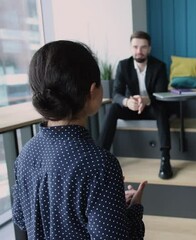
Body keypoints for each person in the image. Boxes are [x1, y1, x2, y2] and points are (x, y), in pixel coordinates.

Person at [12, 40, 147, 239]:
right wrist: (132, 211)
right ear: (93, 92)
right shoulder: (100, 165)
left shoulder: (26, 153)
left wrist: (111, 206)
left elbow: (21, 218)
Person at [99, 31, 174, 179]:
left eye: (143, 47)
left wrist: (145, 100)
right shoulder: (123, 65)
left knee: (162, 109)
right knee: (114, 107)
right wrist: (128, 102)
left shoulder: (159, 66)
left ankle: (165, 158)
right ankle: (101, 156)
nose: (139, 51)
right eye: (135, 47)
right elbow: (116, 94)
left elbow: (161, 94)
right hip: (131, 107)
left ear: (149, 48)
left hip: (152, 107)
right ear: (131, 48)